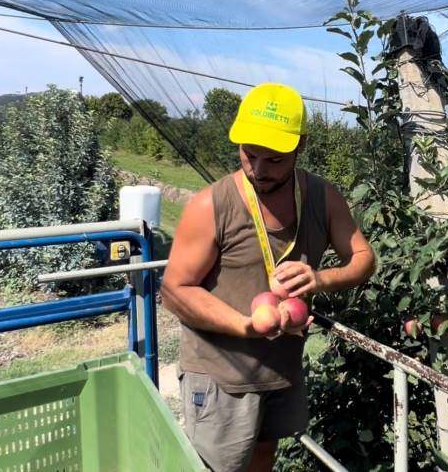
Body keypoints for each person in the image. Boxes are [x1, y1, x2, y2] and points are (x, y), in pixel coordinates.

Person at [161, 83, 376, 472]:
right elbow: (175, 291)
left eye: (274, 160)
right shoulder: (211, 204)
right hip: (221, 378)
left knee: (263, 460)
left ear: (301, 145)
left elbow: (364, 258)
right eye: (249, 154)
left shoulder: (321, 197)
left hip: (280, 370)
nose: (258, 171)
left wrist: (321, 279)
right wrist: (245, 327)